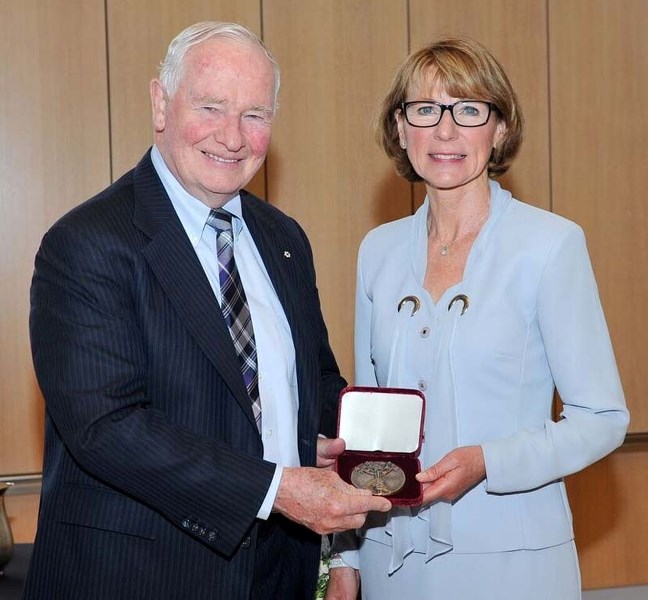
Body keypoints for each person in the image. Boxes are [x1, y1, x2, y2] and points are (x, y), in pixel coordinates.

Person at [25, 21, 390, 600]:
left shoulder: (283, 239)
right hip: (140, 575)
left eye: (255, 115)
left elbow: (313, 379)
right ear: (161, 104)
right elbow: (107, 429)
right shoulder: (88, 242)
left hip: (277, 572)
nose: (233, 136)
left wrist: (339, 440)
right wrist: (276, 488)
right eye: (212, 107)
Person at [326, 37, 629, 600]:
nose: (446, 131)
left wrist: (488, 461)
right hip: (391, 555)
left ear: (500, 129)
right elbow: (364, 423)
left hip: (513, 560)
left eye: (469, 110)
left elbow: (602, 418)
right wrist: (344, 559)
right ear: (400, 129)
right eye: (425, 110)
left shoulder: (550, 244)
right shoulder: (378, 250)